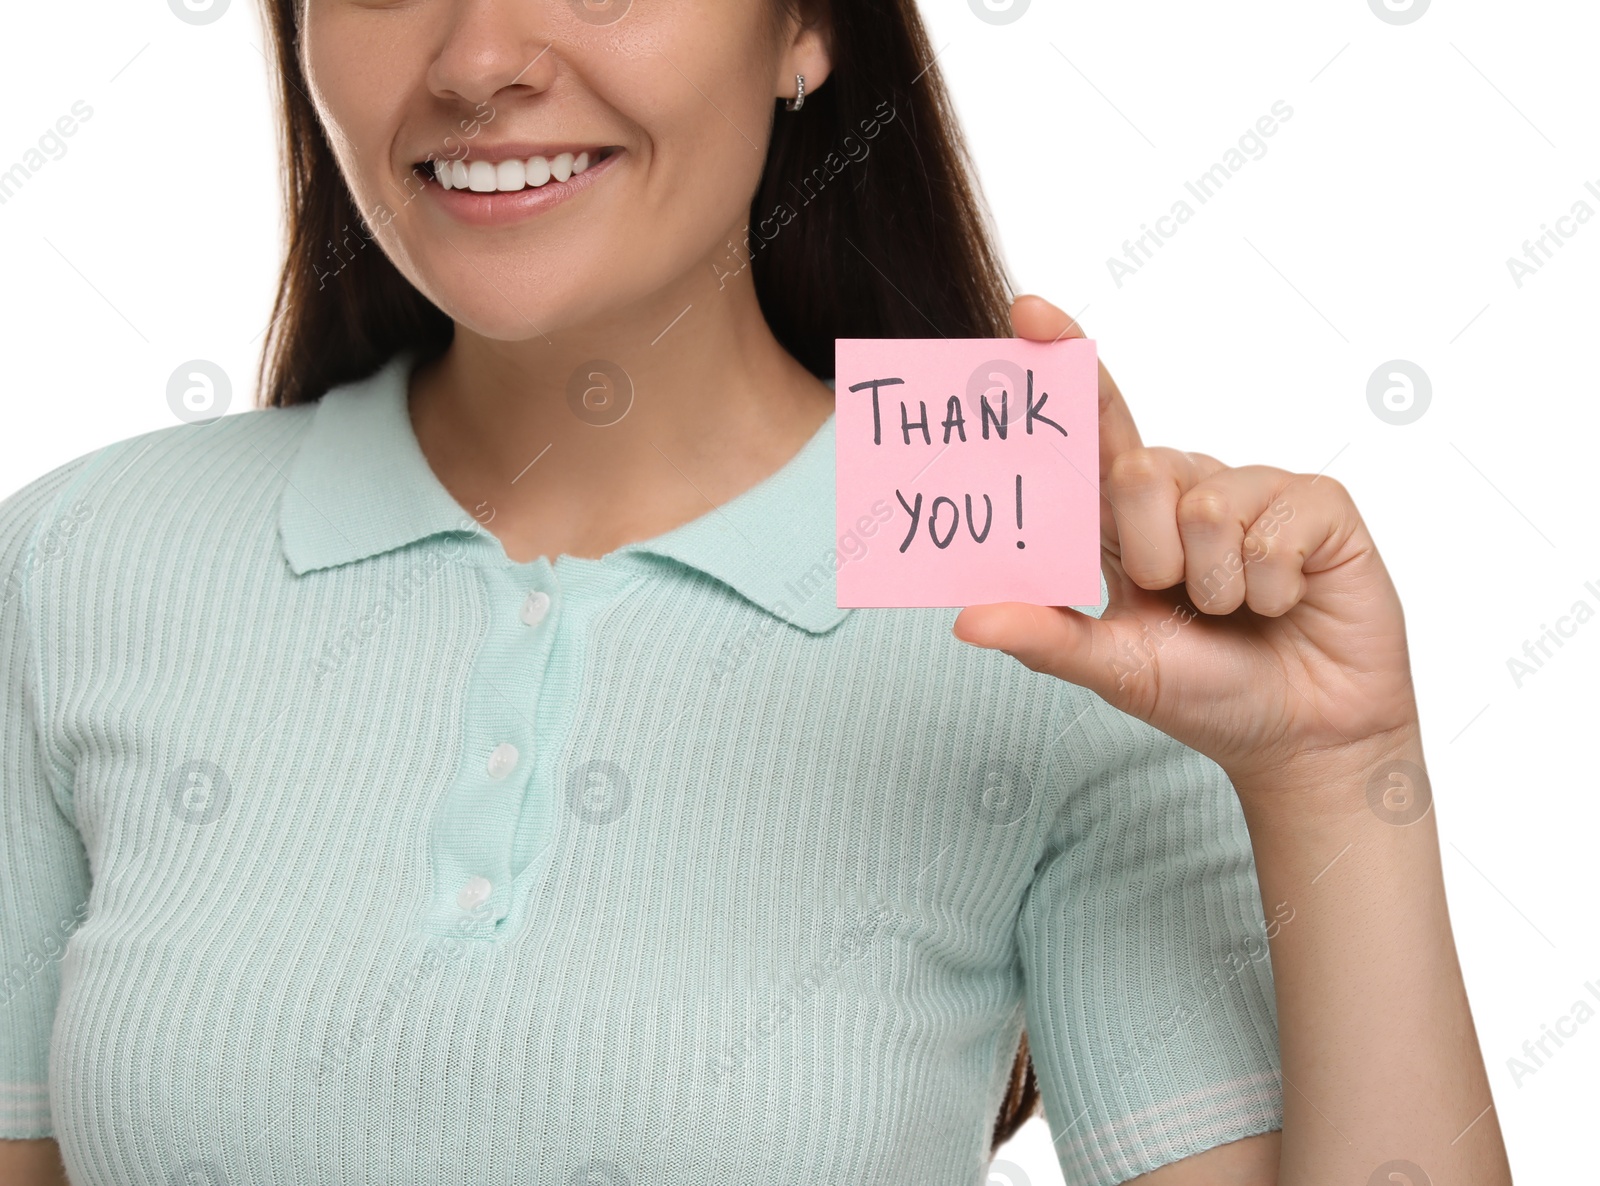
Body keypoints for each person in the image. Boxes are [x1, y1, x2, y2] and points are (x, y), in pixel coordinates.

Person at [0, 1, 1510, 1183]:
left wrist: (1333, 772)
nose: (476, 60)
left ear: (806, 25)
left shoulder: (1046, 610)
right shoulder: (81, 560)